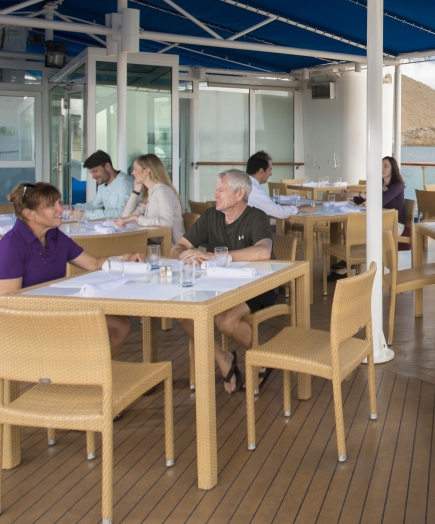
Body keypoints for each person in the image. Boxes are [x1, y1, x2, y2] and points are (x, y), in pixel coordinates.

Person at [0, 182, 141, 356]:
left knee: (120, 326)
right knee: (105, 327)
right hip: (23, 323)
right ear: (29, 214)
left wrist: (126, 258)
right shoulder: (11, 246)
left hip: (53, 312)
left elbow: (92, 263)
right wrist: (62, 314)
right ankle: (78, 369)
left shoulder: (55, 236)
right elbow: (10, 302)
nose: (61, 209)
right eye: (51, 206)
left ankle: (85, 371)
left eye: (59, 203)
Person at [170, 169, 274, 394]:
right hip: (217, 285)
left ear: (239, 194)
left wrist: (216, 256)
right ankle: (223, 358)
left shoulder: (256, 217)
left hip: (257, 286)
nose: (215, 195)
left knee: (225, 321)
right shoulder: (211, 216)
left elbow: (263, 252)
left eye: (221, 191)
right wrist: (185, 256)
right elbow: (179, 246)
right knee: (182, 312)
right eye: (216, 190)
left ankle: (263, 358)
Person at [113, 153, 186, 245]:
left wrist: (136, 218)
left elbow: (167, 222)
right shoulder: (151, 193)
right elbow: (126, 216)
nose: (132, 173)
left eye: (135, 169)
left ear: (146, 170)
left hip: (171, 246)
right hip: (154, 242)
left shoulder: (163, 191)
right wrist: (136, 191)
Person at [347, 155, 409, 262]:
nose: (382, 168)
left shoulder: (397, 186)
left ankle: (354, 260)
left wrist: (361, 193)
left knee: (365, 230)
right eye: (381, 166)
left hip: (395, 224)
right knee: (356, 229)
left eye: (385, 166)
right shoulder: (379, 183)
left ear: (393, 169)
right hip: (381, 221)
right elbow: (359, 200)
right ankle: (352, 259)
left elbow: (381, 202)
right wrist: (350, 195)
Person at [245, 150, 313, 219]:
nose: (271, 174)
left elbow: (264, 203)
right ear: (261, 171)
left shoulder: (245, 182)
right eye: (270, 170)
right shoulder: (253, 188)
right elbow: (279, 213)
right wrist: (301, 209)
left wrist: (277, 205)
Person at [73, 150, 133, 221]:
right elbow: (94, 205)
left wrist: (86, 214)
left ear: (107, 166)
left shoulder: (125, 183)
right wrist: (73, 208)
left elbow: (121, 212)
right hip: (111, 226)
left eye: (95, 171)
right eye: (91, 173)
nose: (93, 177)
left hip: (129, 227)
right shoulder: (102, 185)